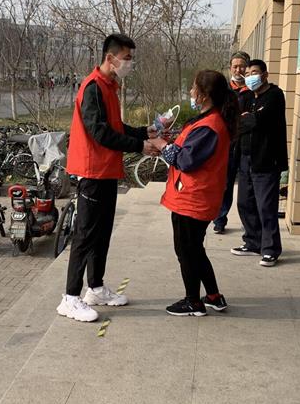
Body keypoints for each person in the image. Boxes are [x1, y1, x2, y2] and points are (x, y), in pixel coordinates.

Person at [58, 33, 159, 323]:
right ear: (110, 58)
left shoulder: (108, 87)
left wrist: (142, 132)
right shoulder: (92, 87)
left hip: (106, 172)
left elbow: (115, 125)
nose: (130, 63)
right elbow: (99, 133)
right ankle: (70, 298)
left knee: (101, 234)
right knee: (85, 235)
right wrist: (139, 146)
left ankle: (96, 288)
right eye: (127, 58)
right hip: (92, 172)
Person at [148, 70, 238, 316]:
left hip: (193, 199)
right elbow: (188, 149)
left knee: (186, 252)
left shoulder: (210, 126)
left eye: (193, 88)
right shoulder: (208, 120)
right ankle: (213, 296)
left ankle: (193, 302)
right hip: (196, 196)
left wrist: (161, 145)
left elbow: (186, 161)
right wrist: (169, 142)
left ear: (204, 94)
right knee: (196, 249)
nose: (190, 92)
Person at [232, 58, 287, 266]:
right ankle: (253, 242)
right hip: (246, 158)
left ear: (265, 74)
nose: (250, 77)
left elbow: (259, 120)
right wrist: (247, 119)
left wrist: (249, 118)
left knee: (266, 206)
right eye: (247, 74)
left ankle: (270, 249)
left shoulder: (274, 95)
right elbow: (238, 122)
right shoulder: (247, 96)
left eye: (254, 73)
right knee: (245, 203)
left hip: (266, 160)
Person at [213, 51, 250, 234]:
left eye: (242, 66)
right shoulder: (223, 91)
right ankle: (220, 219)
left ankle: (249, 223)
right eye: (235, 66)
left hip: (247, 143)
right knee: (225, 183)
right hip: (228, 143)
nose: (238, 70)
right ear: (230, 68)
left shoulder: (253, 90)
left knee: (247, 185)